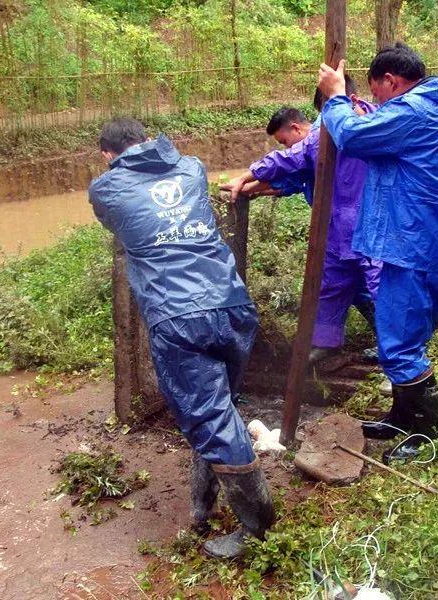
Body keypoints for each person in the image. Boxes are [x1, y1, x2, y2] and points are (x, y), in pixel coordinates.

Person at [88, 117, 275, 558]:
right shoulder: (190, 167)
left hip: (179, 317)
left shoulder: (105, 189)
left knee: (209, 417)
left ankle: (259, 529)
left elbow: (119, 221)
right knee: (217, 409)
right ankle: (201, 505)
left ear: (107, 156)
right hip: (232, 306)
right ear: (147, 140)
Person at [317, 43, 438, 463]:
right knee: (399, 336)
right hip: (422, 238)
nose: (379, 104)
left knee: (401, 345)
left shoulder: (416, 111)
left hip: (415, 245)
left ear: (391, 81)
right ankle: (404, 418)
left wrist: (335, 97)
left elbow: (350, 135)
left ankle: (428, 436)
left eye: (380, 95)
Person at [224, 90, 382, 365]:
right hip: (337, 230)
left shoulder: (330, 131)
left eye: (285, 141)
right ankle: (328, 343)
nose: (287, 147)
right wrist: (254, 188)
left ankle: (396, 353)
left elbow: (287, 161)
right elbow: (295, 178)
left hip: (363, 226)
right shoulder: (357, 122)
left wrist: (246, 176)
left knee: (379, 286)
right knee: (332, 286)